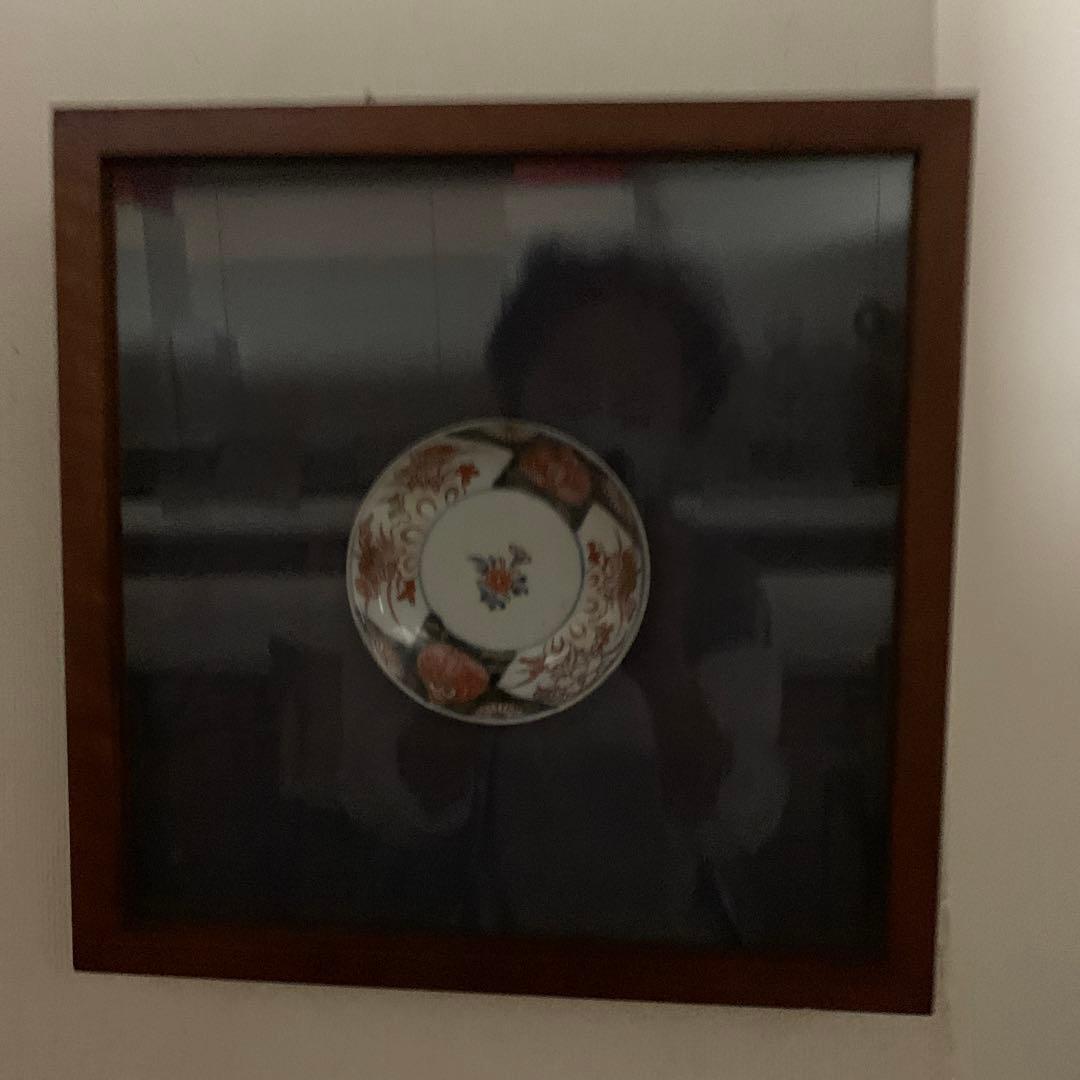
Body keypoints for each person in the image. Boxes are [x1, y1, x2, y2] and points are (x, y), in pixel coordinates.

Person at [280, 240, 788, 944]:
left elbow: (738, 822)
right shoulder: (435, 563)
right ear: (517, 402)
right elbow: (389, 802)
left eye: (640, 394)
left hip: (670, 959)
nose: (603, 415)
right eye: (572, 385)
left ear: (687, 419)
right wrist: (482, 653)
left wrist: (664, 666)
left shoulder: (721, 586)